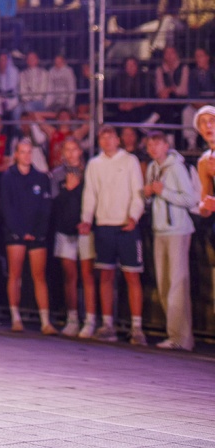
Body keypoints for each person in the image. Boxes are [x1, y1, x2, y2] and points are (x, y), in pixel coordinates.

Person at [79, 123, 146, 345]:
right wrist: (87, 219)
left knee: (132, 276)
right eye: (103, 138)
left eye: (110, 137)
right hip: (104, 226)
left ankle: (137, 328)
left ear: (118, 139)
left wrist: (133, 217)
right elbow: (90, 194)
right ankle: (107, 325)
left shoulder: (130, 161)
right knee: (105, 276)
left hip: (126, 227)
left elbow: (138, 193)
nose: (107, 141)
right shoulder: (94, 164)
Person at [142, 128, 196, 351]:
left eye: (157, 144)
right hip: (160, 230)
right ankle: (174, 334)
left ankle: (181, 337)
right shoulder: (153, 168)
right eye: (150, 145)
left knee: (177, 284)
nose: (153, 148)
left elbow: (190, 199)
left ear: (166, 145)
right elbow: (153, 199)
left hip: (177, 230)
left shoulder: (176, 167)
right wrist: (147, 194)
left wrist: (163, 192)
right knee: (164, 284)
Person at [0, 136, 54, 334]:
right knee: (15, 274)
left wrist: (36, 232)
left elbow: (45, 208)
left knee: (39, 276)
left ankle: (45, 321)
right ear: (16, 154)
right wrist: (20, 231)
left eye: (29, 152)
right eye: (22, 152)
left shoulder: (41, 177)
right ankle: (16, 318)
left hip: (36, 234)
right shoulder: (8, 176)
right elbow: (7, 207)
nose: (26, 156)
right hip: (15, 233)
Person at [50, 137, 96, 338]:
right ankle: (72, 319)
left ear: (80, 151)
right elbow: (53, 203)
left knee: (87, 275)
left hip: (85, 230)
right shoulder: (57, 174)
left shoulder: (89, 172)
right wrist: (67, 190)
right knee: (69, 276)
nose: (70, 153)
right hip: (64, 230)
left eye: (74, 149)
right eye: (66, 150)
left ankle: (90, 320)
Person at [154, 45, 188, 129]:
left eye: (172, 53)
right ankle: (169, 134)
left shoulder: (184, 68)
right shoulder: (160, 69)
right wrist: (169, 90)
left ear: (176, 54)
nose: (169, 55)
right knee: (164, 105)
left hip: (181, 99)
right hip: (166, 99)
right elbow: (160, 90)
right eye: (167, 53)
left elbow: (183, 90)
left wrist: (170, 89)